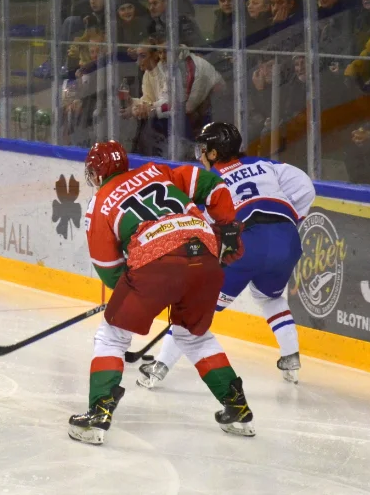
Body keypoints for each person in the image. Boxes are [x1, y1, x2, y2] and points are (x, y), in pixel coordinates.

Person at [71, 140, 253, 444]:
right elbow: (213, 183)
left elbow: (107, 267)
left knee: (112, 335)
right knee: (192, 336)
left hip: (155, 262)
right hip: (205, 255)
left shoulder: (100, 203)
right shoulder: (156, 171)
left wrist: (141, 286)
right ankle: (238, 409)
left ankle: (98, 414)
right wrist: (228, 226)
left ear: (97, 173)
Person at [138, 122, 314, 388]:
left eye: (203, 149)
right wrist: (290, 220)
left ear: (213, 153)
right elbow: (305, 186)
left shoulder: (209, 183)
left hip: (247, 243)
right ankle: (291, 358)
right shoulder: (265, 165)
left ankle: (159, 367)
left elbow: (198, 227)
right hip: (288, 240)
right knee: (270, 297)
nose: (199, 154)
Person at [127, 36, 220, 158]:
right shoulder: (154, 72)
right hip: (185, 111)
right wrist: (133, 103)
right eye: (161, 52)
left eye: (143, 56)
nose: (163, 57)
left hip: (207, 106)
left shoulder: (180, 69)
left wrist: (150, 109)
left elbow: (181, 105)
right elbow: (154, 100)